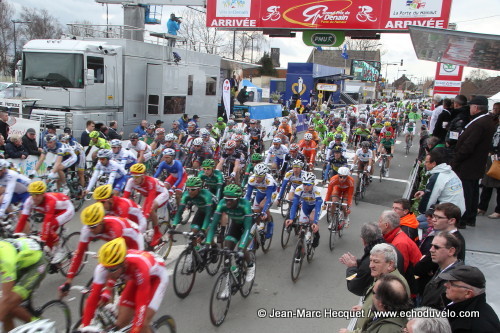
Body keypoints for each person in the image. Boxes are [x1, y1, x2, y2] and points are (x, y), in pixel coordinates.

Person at [81, 237, 168, 333]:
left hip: (157, 278)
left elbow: (141, 305)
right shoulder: (103, 267)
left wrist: (136, 329)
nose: (108, 274)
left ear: (124, 264)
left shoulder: (139, 267)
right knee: (121, 323)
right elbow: (93, 298)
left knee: (142, 325)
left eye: (112, 270)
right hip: (135, 279)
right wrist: (84, 328)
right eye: (106, 269)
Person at [59, 203, 144, 297]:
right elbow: (79, 254)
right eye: (89, 226)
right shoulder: (88, 230)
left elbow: (117, 254)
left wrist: (109, 284)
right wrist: (69, 281)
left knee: (126, 273)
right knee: (108, 269)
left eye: (94, 226)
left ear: (102, 221)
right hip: (116, 241)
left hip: (134, 240)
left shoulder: (114, 228)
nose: (91, 230)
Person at [338, 243, 410, 333]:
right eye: (370, 261)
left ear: (390, 264)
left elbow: (384, 322)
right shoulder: (383, 276)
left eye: (376, 262)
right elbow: (383, 310)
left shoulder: (395, 286)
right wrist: (366, 308)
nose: (370, 265)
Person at [452, 96, 497, 228]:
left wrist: (456, 160)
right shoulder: (487, 121)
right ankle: (470, 217)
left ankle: (464, 218)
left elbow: (469, 146)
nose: (470, 109)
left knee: (466, 192)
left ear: (476, 108)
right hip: (476, 163)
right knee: (473, 190)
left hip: (468, 163)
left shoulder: (479, 123)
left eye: (471, 106)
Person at [204, 184, 255, 290]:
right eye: (226, 199)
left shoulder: (245, 205)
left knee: (241, 249)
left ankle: (250, 265)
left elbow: (246, 229)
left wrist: (241, 247)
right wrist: (208, 244)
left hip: (248, 226)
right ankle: (232, 273)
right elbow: (213, 225)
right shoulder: (222, 203)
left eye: (231, 200)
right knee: (227, 251)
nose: (228, 202)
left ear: (238, 199)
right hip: (235, 225)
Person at [15, 181, 75, 263]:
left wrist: (43, 239)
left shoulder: (50, 201)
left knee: (47, 228)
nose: (35, 197)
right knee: (46, 239)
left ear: (43, 194)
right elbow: (22, 219)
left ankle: (60, 250)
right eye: (32, 194)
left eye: (37, 194)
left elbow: (47, 222)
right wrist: (16, 234)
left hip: (66, 210)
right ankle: (50, 256)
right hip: (54, 212)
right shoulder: (29, 201)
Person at [0, 238, 47, 332]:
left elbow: (6, 297)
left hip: (36, 264)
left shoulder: (6, 261)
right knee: (5, 310)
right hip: (20, 263)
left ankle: (40, 327)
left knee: (8, 303)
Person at [441, 265, 500, 332]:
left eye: (452, 283)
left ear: (468, 293)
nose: (445, 285)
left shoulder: (479, 325)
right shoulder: (456, 307)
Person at [414, 149, 465, 225]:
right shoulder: (450, 172)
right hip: (459, 210)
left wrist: (421, 211)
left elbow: (429, 200)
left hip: (447, 215)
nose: (424, 164)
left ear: (434, 163)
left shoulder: (437, 177)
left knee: (414, 224)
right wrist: (424, 191)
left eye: (427, 162)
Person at [125, 163, 170, 245]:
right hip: (149, 195)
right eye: (133, 176)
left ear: (143, 176)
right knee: (140, 213)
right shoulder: (130, 181)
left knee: (150, 209)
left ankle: (157, 232)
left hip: (161, 194)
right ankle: (148, 232)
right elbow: (125, 199)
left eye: (137, 177)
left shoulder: (150, 182)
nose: (134, 179)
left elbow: (150, 200)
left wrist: (145, 215)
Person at [339, 222, 385, 296]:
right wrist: (358, 262)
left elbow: (353, 286)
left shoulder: (370, 263)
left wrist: (351, 267)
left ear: (363, 240)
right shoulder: (388, 247)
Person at [421, 232, 463, 310]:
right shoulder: (441, 269)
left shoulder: (456, 279)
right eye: (431, 246)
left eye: (436, 247)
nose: (431, 250)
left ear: (451, 251)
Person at [285, 172, 322, 248]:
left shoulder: (317, 191)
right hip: (305, 206)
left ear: (313, 184)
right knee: (302, 228)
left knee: (312, 219)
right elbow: (294, 205)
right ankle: (301, 251)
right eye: (304, 184)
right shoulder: (299, 189)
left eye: (308, 184)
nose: (306, 186)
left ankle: (316, 235)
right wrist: (291, 218)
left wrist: (315, 222)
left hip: (314, 207)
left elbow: (318, 207)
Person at [478, 102, 500, 218]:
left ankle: (498, 210)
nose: (495, 111)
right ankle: (482, 207)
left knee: (498, 185)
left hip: (498, 158)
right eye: (494, 108)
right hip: (491, 157)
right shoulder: (495, 124)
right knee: (486, 183)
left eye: (497, 109)